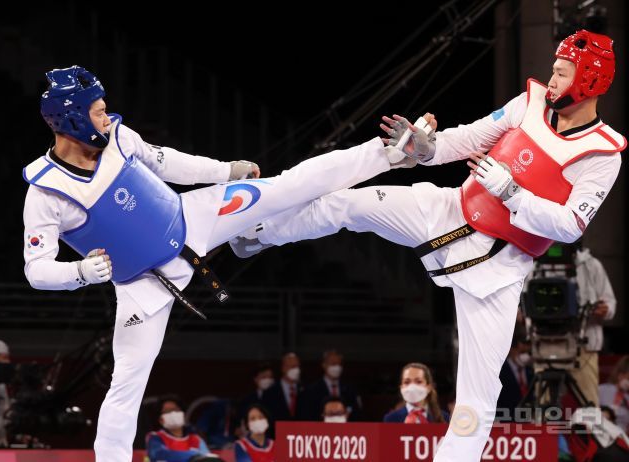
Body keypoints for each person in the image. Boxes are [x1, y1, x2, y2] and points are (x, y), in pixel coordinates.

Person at [230, 30, 626, 461]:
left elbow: (571, 224)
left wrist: (514, 194)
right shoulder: (528, 102)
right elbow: (469, 139)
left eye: (562, 73)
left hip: (499, 268)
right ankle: (258, 233)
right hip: (450, 210)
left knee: (479, 394)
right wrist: (427, 147)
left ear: (588, 81)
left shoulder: (602, 153)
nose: (551, 80)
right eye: (553, 70)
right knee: (350, 205)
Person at [22, 66, 408, 462]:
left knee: (289, 185)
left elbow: (167, 162)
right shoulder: (46, 192)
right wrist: (79, 273)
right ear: (71, 118)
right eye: (98, 111)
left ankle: (389, 153)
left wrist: (225, 171)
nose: (107, 116)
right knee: (127, 383)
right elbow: (36, 270)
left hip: (194, 217)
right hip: (144, 284)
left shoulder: (119, 137)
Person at [572, 243, 617, 407]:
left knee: (589, 404)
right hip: (547, 344)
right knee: (544, 406)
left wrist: (606, 309)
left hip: (585, 345)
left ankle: (591, 432)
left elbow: (610, 302)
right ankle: (544, 433)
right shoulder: (538, 264)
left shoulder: (591, 265)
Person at [146, 398, 218, 462]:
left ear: (182, 414)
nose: (173, 413)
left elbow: (207, 458)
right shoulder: (155, 437)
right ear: (161, 420)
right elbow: (157, 454)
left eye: (176, 409)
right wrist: (192, 455)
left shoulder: (196, 439)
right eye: (168, 411)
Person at [301, 349, 361, 421]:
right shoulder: (311, 390)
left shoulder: (350, 389)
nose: (337, 367)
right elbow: (307, 416)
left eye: (339, 364)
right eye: (333, 364)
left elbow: (356, 414)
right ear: (324, 365)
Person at [383, 362, 448, 424]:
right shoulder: (391, 419)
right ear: (401, 388)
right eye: (407, 382)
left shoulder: (445, 418)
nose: (412, 387)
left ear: (429, 387)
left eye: (418, 382)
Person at [496, 332, 533, 421]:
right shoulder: (499, 372)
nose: (525, 356)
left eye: (528, 352)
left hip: (527, 424)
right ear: (511, 349)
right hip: (506, 425)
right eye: (522, 352)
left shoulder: (531, 372)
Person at [261, 353, 305, 426]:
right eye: (293, 366)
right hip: (277, 434)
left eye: (298, 366)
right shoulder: (270, 393)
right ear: (283, 368)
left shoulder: (306, 390)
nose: (297, 370)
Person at [599, 355, 629, 433]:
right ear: (620, 375)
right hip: (600, 433)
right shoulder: (602, 390)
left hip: (621, 438)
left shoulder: (627, 399)